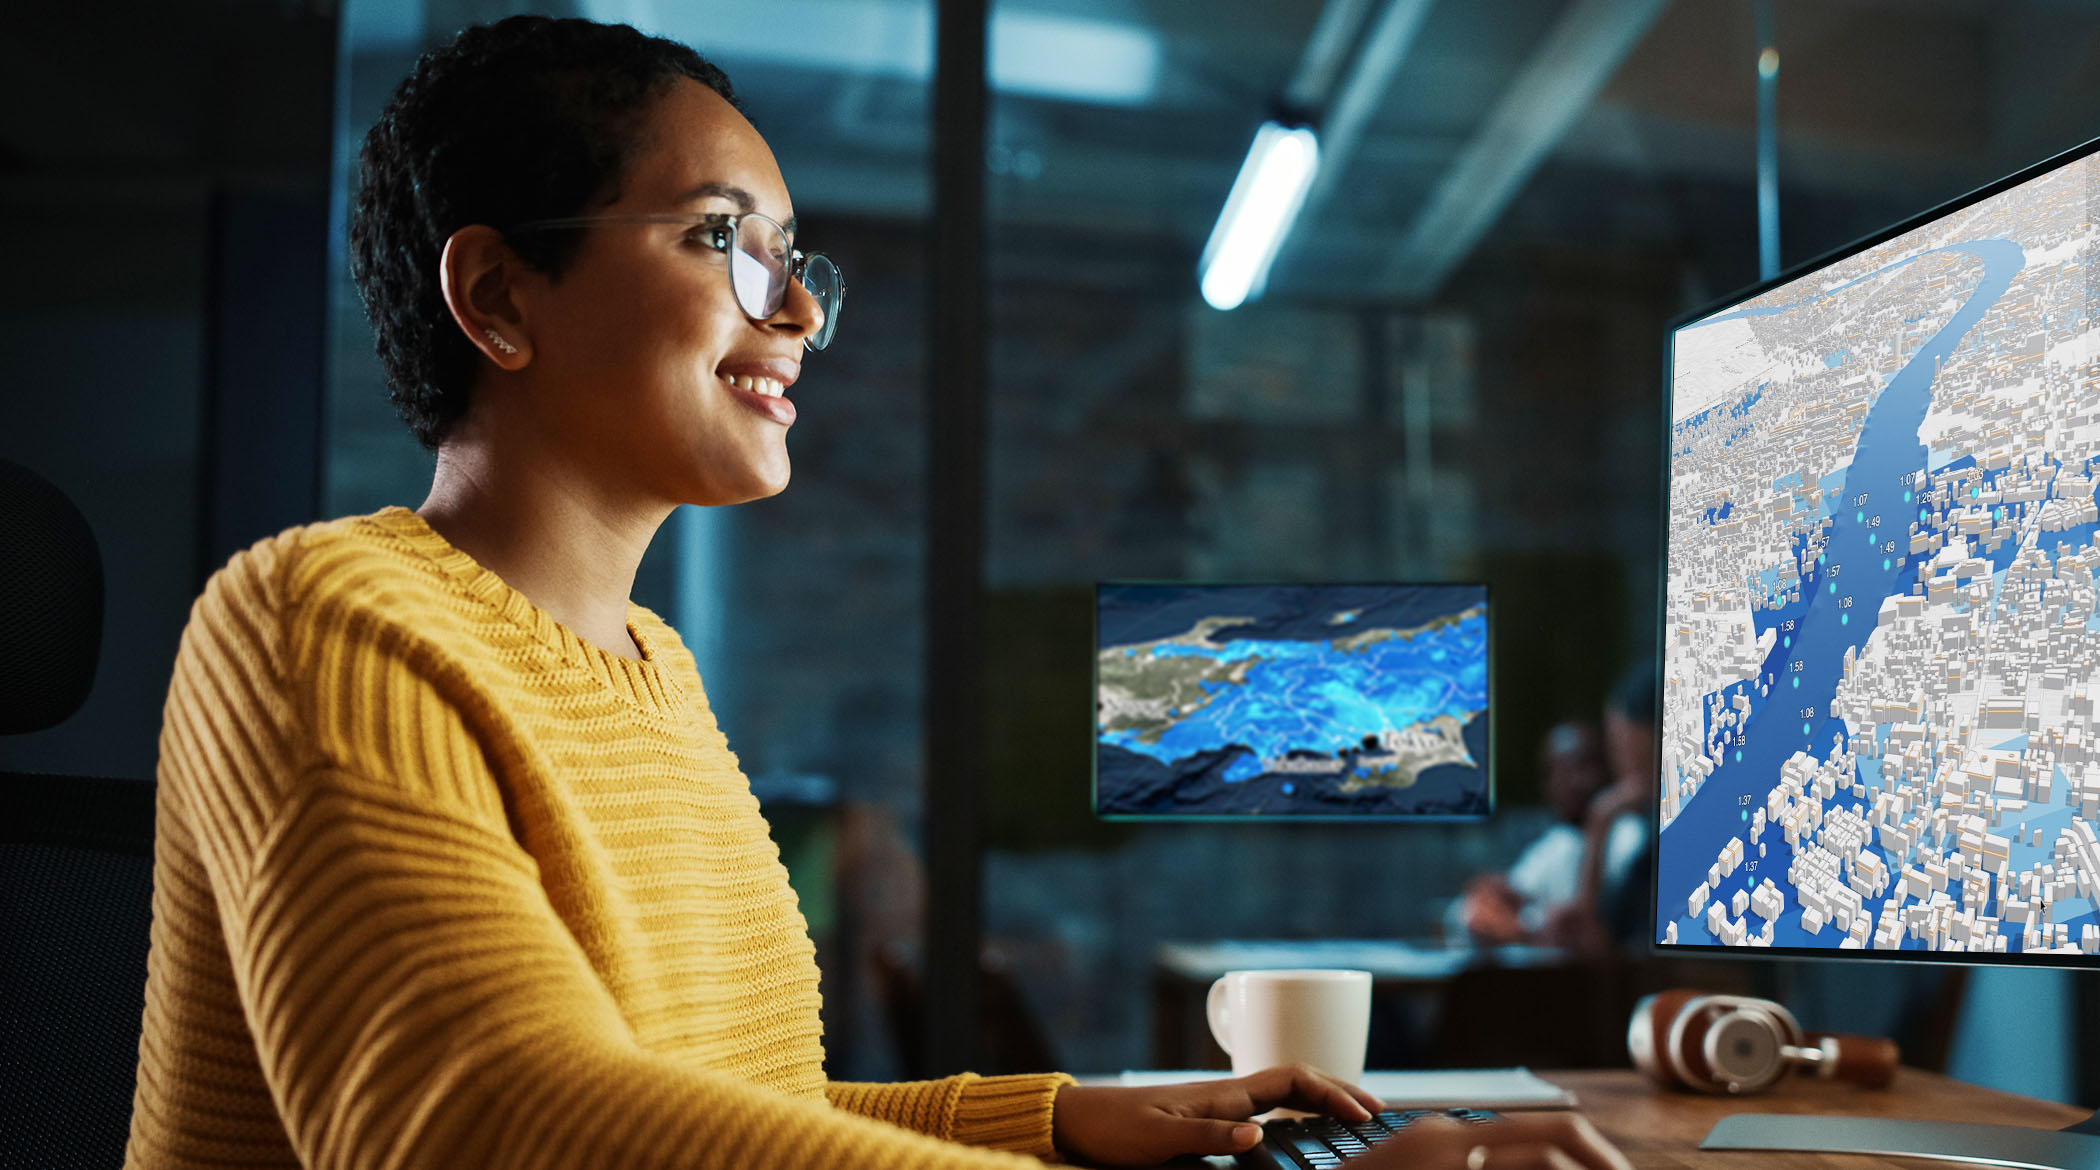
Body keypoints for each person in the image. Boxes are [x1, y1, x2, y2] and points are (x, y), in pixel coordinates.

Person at [123, 17, 1632, 1170]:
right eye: (722, 238)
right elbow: (490, 1120)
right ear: (501, 296)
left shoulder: (653, 667)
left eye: (796, 260)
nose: (795, 312)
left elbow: (736, 1114)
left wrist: (1069, 1116)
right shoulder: (318, 618)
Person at [1450, 721, 1610, 945]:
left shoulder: (1631, 838)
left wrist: (1523, 927)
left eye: (1578, 766)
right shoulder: (1559, 843)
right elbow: (1472, 911)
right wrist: (1498, 898)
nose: (1563, 782)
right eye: (1553, 772)